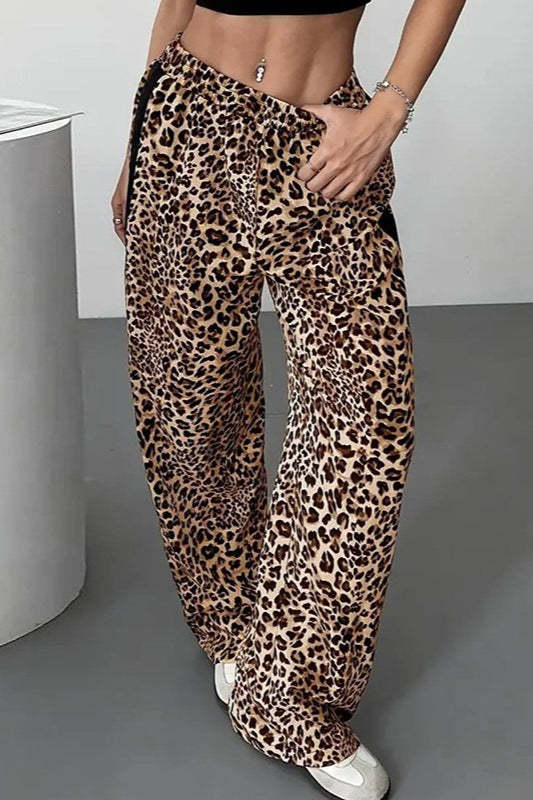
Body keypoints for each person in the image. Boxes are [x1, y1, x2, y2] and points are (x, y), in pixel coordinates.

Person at [111, 1, 465, 797]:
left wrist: (388, 110)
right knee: (191, 404)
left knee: (366, 417)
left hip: (319, 139)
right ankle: (232, 625)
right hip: (186, 123)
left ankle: (290, 690)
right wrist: (140, 145)